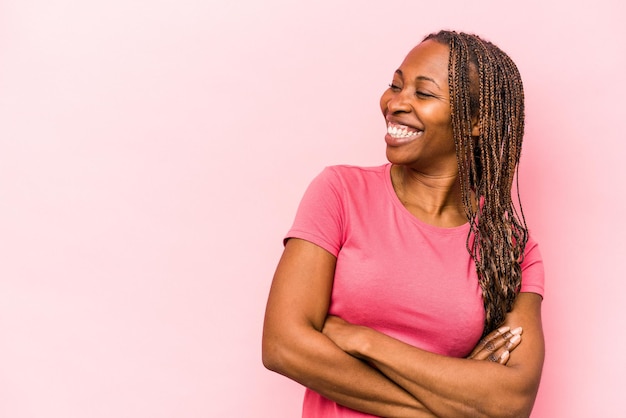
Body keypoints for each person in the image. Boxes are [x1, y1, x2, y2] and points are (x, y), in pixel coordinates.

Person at [262, 29, 545, 418]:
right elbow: (284, 346)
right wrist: (456, 404)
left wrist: (361, 340)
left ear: (477, 120)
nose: (396, 103)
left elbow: (510, 403)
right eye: (395, 86)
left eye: (423, 93)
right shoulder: (341, 192)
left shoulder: (508, 245)